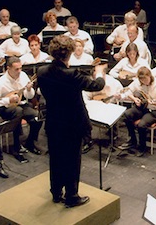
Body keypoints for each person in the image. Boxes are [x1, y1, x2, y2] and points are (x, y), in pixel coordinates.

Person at [37, 35, 105, 208]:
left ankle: (56, 192)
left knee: (56, 158)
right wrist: (99, 73)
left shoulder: (42, 71)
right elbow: (97, 86)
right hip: (72, 123)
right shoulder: (72, 74)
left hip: (53, 121)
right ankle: (72, 196)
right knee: (73, 160)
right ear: (70, 53)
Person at [0, 57, 44, 163]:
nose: (19, 71)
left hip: (22, 104)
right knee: (17, 113)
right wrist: (7, 100)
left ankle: (30, 142)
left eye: (20, 68)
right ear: (8, 68)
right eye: (16, 69)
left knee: (37, 118)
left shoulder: (23, 76)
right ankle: (16, 147)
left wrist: (28, 89)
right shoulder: (2, 82)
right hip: (6, 109)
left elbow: (30, 96)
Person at [117, 67, 156, 156]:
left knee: (141, 124)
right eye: (141, 79)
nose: (143, 81)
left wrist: (155, 102)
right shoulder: (138, 82)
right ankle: (132, 140)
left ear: (150, 76)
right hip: (142, 108)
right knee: (127, 114)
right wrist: (134, 99)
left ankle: (142, 146)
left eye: (145, 79)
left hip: (154, 111)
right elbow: (128, 91)